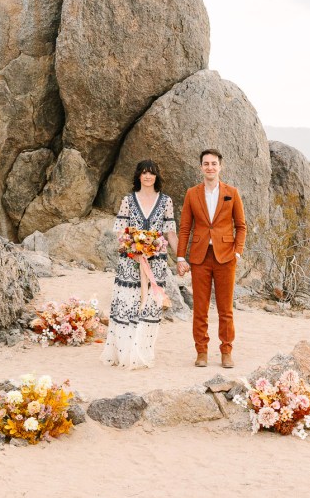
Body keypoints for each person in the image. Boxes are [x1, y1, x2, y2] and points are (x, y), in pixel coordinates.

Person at [101, 159, 178, 370]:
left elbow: (170, 232)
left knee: (149, 306)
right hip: (130, 261)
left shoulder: (166, 201)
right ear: (138, 176)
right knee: (129, 306)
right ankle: (125, 354)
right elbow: (120, 229)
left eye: (151, 173)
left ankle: (142, 352)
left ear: (156, 176)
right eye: (143, 172)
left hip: (156, 263)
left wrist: (181, 257)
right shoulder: (128, 200)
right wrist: (132, 248)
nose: (147, 176)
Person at [177, 149, 246, 369]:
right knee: (200, 308)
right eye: (206, 164)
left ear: (220, 167)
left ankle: (226, 351)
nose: (210, 167)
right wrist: (180, 256)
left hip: (226, 257)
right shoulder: (192, 193)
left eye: (213, 163)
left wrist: (237, 252)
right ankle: (202, 352)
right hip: (199, 257)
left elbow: (241, 226)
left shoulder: (231, 192)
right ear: (201, 167)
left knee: (226, 308)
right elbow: (186, 227)